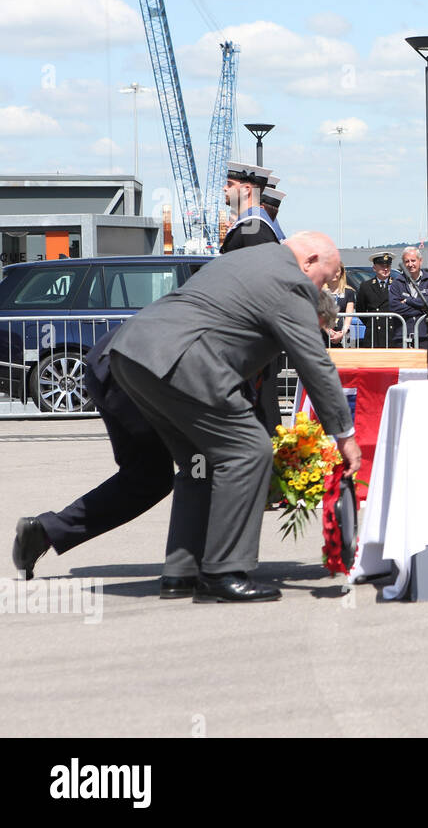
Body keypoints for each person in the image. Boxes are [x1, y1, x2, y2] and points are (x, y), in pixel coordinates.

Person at [12, 290, 343, 593]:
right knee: (202, 464)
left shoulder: (252, 309)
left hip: (113, 364)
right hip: (139, 374)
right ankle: (205, 567)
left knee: (147, 478)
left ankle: (46, 531)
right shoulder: (256, 327)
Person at [106, 232, 361, 603]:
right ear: (309, 261)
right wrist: (344, 434)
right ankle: (224, 572)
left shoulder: (246, 259)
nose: (326, 287)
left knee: (199, 463)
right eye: (328, 276)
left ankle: (181, 572)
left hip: (135, 354)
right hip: (184, 363)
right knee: (249, 450)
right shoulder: (290, 281)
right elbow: (315, 364)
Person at [220, 161, 277, 253]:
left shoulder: (254, 229)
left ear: (246, 190)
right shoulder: (249, 225)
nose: (225, 188)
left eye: (230, 184)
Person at [389, 246, 428, 350]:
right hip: (402, 337)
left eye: (413, 260)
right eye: (406, 261)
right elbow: (394, 307)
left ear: (420, 261)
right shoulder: (396, 283)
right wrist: (422, 309)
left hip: (426, 336)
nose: (410, 264)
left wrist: (408, 301)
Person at [356, 252, 400, 348]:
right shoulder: (366, 286)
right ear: (374, 268)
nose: (385, 269)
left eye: (388, 266)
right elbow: (360, 309)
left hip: (392, 332)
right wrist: (371, 323)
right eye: (382, 266)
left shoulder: (397, 285)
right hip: (373, 332)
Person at [322, 267, 356, 349]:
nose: (334, 274)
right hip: (322, 333)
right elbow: (319, 313)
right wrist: (329, 332)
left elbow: (349, 315)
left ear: (341, 273)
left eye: (337, 271)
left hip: (340, 335)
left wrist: (342, 332)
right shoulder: (320, 291)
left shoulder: (349, 292)